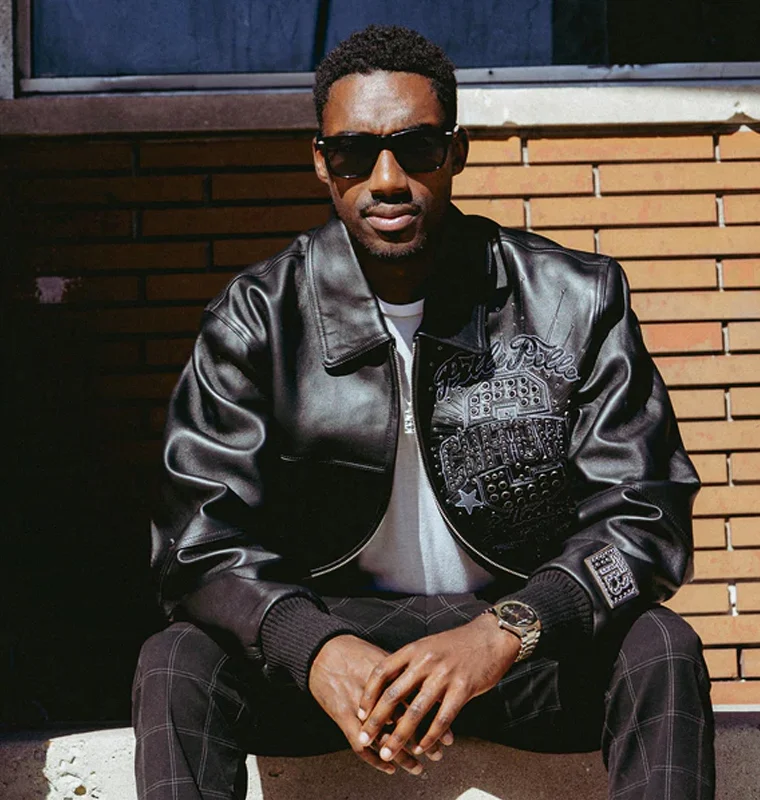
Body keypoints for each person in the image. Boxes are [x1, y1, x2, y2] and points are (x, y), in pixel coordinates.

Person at [133, 24, 715, 800]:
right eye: (354, 154)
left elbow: (644, 515)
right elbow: (198, 541)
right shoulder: (257, 320)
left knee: (661, 648)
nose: (387, 179)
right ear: (321, 162)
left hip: (515, 643)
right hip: (337, 651)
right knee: (177, 662)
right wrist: (315, 649)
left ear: (456, 152)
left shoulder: (574, 300)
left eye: (417, 148)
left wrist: (508, 630)